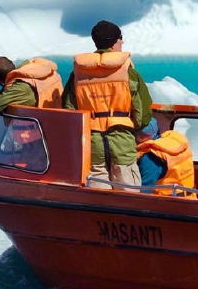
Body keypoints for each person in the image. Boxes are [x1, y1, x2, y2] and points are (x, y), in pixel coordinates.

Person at [63, 20, 152, 189]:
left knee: (98, 190)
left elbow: (69, 108)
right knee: (128, 192)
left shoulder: (78, 73)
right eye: (120, 38)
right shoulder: (128, 72)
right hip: (122, 138)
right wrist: (136, 126)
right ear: (114, 42)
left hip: (92, 140)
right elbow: (142, 112)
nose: (122, 42)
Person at [0, 55, 63, 120]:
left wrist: (4, 89)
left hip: (38, 135)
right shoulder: (46, 71)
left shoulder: (19, 88)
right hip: (58, 121)